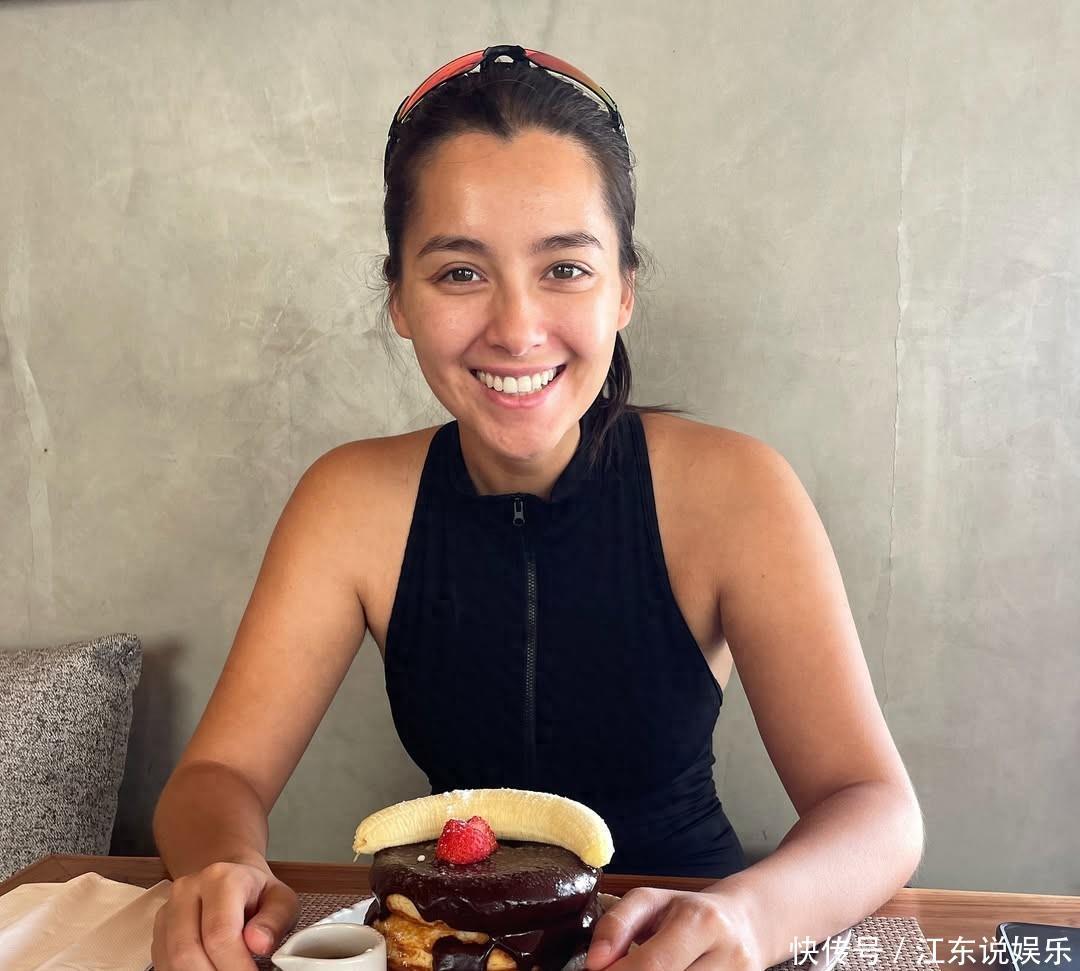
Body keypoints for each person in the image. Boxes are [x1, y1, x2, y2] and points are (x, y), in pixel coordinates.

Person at [150, 45, 924, 971]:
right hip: (451, 944)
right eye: (460, 273)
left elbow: (874, 806)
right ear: (399, 298)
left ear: (624, 288)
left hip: (683, 945)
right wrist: (226, 867)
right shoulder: (347, 503)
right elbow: (216, 775)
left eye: (565, 268)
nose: (517, 329)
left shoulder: (736, 490)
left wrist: (753, 917)